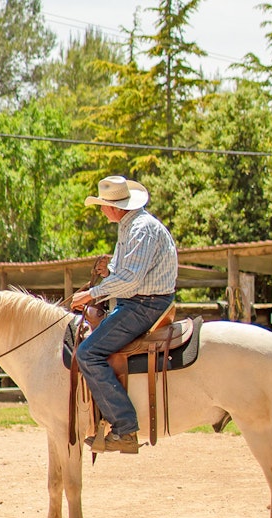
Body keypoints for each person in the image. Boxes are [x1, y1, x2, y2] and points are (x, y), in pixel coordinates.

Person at [70, 176, 178, 454]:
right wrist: (109, 273)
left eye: (103, 205)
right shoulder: (131, 226)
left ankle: (125, 427)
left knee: (87, 354)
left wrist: (91, 295)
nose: (102, 210)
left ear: (114, 207)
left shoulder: (140, 229)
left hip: (144, 304)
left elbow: (130, 281)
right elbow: (125, 271)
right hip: (142, 300)